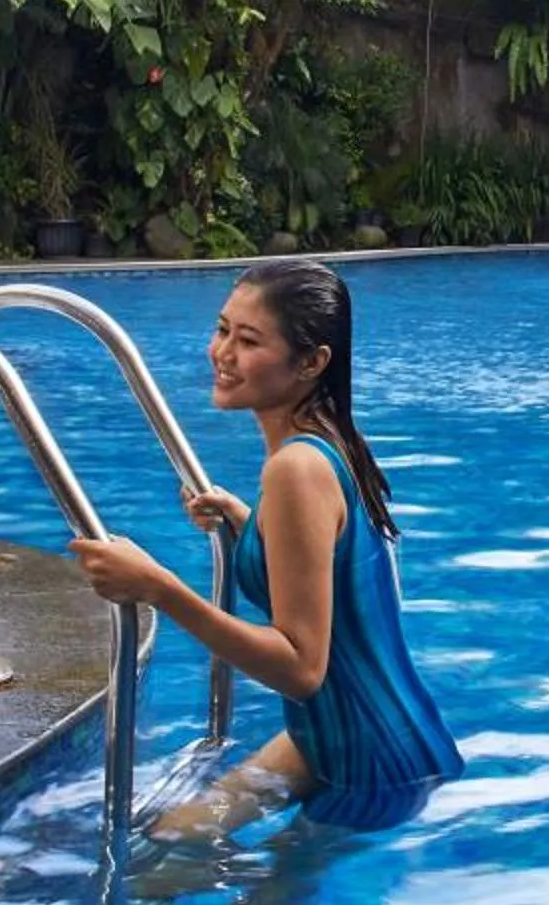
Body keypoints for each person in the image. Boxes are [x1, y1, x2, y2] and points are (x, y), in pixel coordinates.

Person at [70, 260, 464, 837]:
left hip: (369, 768)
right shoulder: (327, 438)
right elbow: (333, 566)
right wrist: (250, 524)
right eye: (223, 328)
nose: (222, 352)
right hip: (347, 736)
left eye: (248, 340)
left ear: (311, 362)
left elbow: (302, 668)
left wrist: (160, 589)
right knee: (168, 842)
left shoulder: (296, 470)